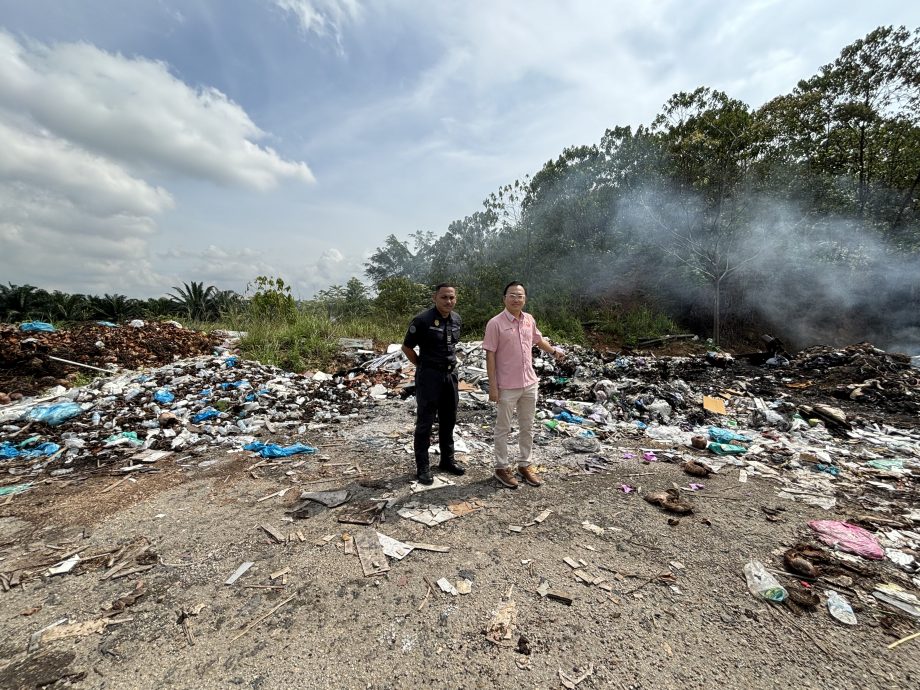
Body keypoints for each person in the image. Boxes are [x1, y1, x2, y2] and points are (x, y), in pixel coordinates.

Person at [483, 281, 564, 488]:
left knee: (527, 426)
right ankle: (501, 467)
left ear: (525, 299)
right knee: (503, 428)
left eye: (520, 296)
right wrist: (493, 387)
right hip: (506, 386)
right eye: (512, 295)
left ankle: (524, 464)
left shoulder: (529, 320)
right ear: (504, 298)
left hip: (529, 383)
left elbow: (538, 340)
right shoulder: (495, 323)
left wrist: (554, 351)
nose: (516, 299)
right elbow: (490, 356)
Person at [401, 283, 466, 485]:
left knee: (449, 420)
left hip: (450, 377)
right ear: (435, 298)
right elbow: (407, 347)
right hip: (429, 377)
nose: (448, 301)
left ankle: (447, 460)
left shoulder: (456, 319)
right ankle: (423, 467)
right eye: (444, 297)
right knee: (425, 423)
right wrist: (422, 366)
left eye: (452, 297)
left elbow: (452, 346)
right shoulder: (422, 320)